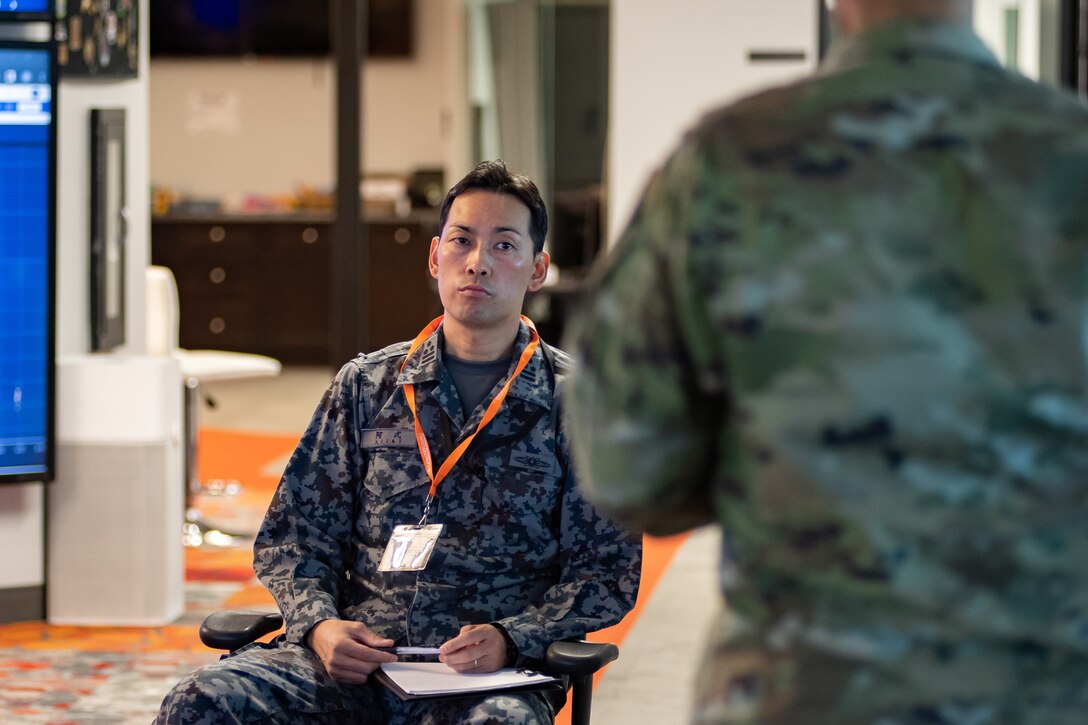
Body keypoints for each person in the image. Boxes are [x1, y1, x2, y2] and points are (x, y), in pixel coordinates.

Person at [566, 1, 1088, 723]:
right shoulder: (1072, 158)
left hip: (801, 692)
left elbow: (625, 467)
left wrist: (775, 468)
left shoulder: (729, 162)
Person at [157, 160, 641, 724]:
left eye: (504, 246)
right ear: (436, 257)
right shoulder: (366, 386)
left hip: (482, 681)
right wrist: (318, 625)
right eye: (462, 241)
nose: (478, 263)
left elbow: (607, 572)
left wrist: (513, 638)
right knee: (202, 701)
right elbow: (294, 536)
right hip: (353, 666)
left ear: (538, 269)